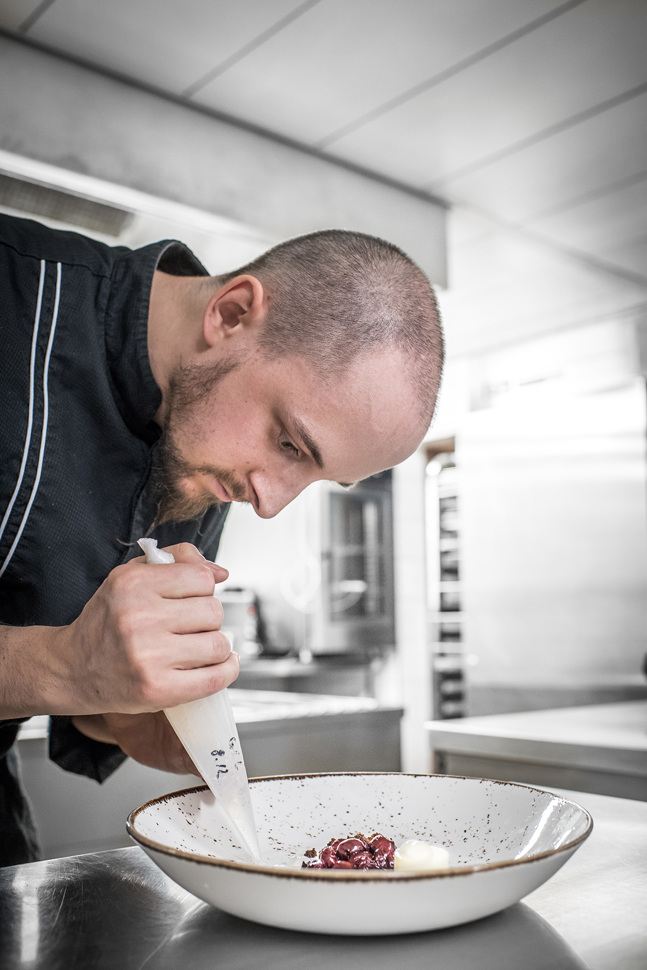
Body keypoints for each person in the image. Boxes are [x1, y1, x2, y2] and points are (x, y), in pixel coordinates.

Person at [0, 212, 444, 865]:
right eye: (288, 443)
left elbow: (68, 678)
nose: (269, 503)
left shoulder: (207, 443)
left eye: (318, 478)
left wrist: (129, 711)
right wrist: (64, 665)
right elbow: (57, 664)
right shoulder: (13, 295)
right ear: (231, 313)